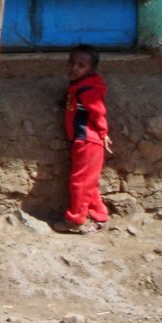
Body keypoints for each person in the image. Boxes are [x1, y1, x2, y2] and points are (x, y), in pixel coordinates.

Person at [54, 44, 113, 234]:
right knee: (89, 181)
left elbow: (98, 111)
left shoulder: (88, 89)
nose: (74, 68)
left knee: (79, 182)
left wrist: (103, 133)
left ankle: (76, 219)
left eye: (81, 65)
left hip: (88, 141)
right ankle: (98, 215)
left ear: (91, 69)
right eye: (72, 63)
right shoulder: (79, 87)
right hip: (84, 141)